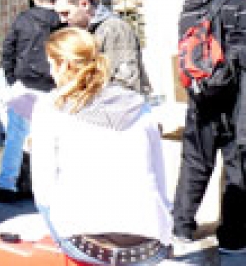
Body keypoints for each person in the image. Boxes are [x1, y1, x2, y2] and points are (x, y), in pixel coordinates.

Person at [30, 27, 171, 265]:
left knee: (47, 203)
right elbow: (159, 176)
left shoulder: (50, 106)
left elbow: (43, 188)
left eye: (51, 65)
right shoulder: (138, 105)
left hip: (88, 242)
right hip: (148, 243)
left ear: (64, 65)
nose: (51, 72)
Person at [172, 0, 246, 255]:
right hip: (236, 100)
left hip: (200, 98)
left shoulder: (190, 9)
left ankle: (181, 228)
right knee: (236, 166)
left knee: (194, 163)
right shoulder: (241, 8)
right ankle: (233, 238)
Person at [0, 0, 62, 202]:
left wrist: (12, 79)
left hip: (24, 85)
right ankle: (47, 188)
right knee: (49, 141)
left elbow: (8, 50)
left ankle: (6, 185)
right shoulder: (61, 22)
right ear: (54, 0)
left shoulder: (23, 19)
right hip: (52, 87)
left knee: (15, 138)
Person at [52, 0, 151, 95]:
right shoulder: (87, 31)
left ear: (84, 4)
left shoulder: (113, 29)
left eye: (66, 13)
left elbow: (125, 81)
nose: (62, 20)